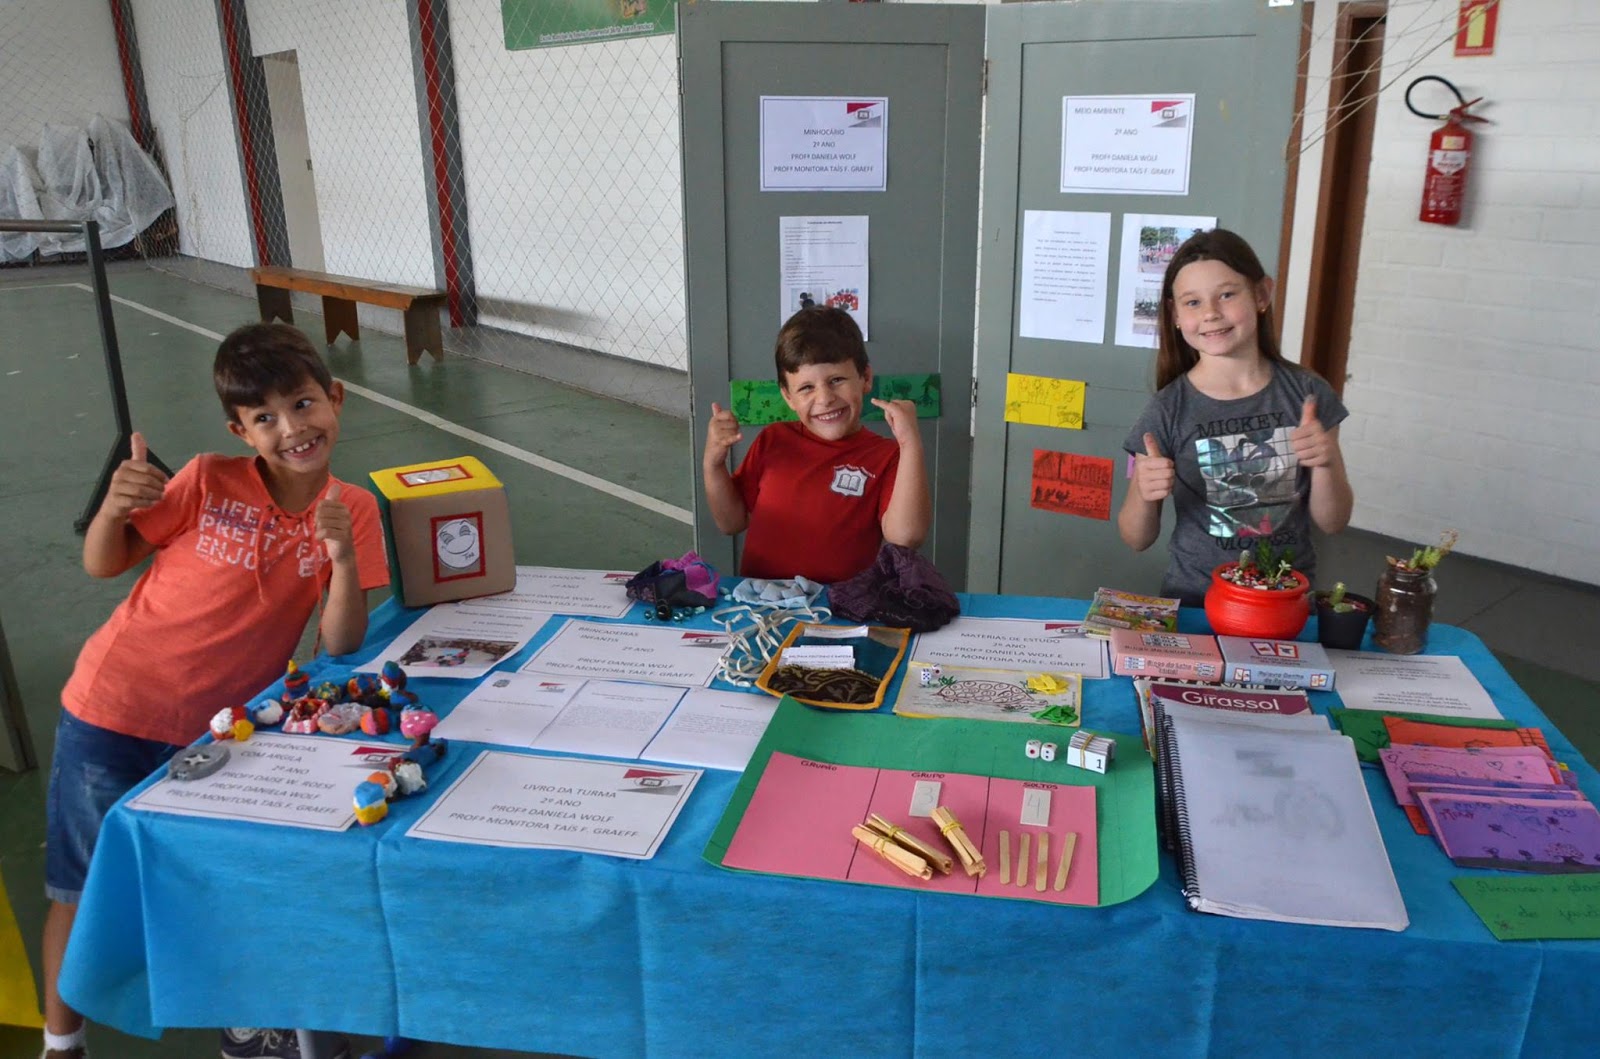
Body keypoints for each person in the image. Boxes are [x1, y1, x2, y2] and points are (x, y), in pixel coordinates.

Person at [41, 323, 389, 1059]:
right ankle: (61, 1043)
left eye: (302, 404)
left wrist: (342, 559)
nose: (291, 429)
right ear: (240, 430)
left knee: (226, 878)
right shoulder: (204, 479)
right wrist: (112, 509)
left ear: (335, 398)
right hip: (113, 710)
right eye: (265, 417)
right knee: (83, 891)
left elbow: (341, 644)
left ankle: (249, 1023)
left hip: (221, 733)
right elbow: (106, 562)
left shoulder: (352, 508)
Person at [1117, 229, 1354, 607]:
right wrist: (1145, 493)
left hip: (1286, 602)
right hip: (1197, 603)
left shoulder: (1308, 395)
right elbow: (1136, 538)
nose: (1210, 313)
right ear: (1175, 315)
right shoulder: (1166, 410)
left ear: (1261, 295)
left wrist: (1326, 462)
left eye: (1227, 294)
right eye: (1193, 302)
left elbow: (1334, 521)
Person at [702, 307, 931, 584]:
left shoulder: (886, 455)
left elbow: (906, 537)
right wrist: (713, 464)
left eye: (836, 380)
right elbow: (730, 523)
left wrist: (910, 443)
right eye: (806, 387)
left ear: (866, 378)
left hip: (839, 605)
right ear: (788, 396)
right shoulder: (773, 440)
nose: (825, 399)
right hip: (762, 600)